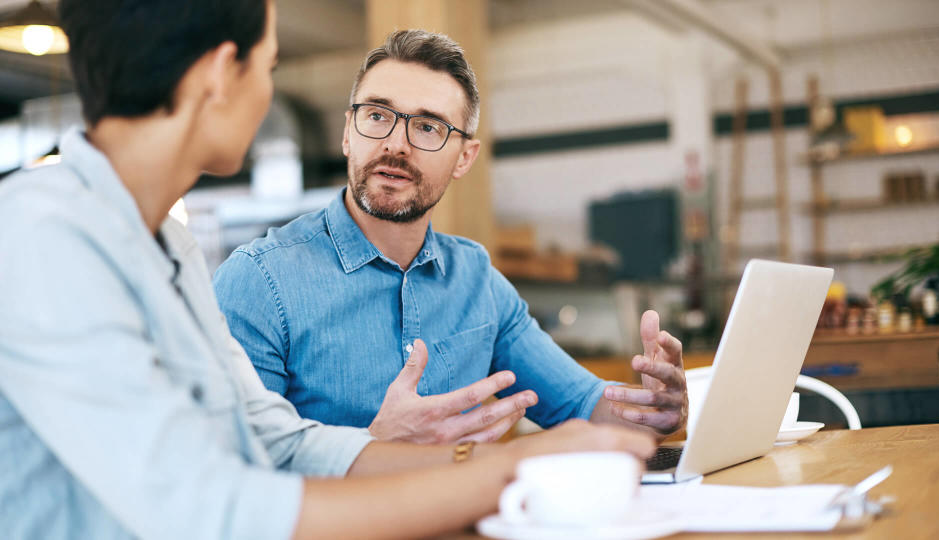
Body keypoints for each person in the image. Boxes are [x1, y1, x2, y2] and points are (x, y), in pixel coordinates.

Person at [0, 2, 658, 539]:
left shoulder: (168, 244)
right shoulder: (39, 234)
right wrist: (511, 471)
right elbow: (210, 508)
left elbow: (281, 444)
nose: (267, 94)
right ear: (222, 74)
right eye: (270, 66)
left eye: (429, 127)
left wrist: (509, 456)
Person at [213, 29, 689, 445]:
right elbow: (232, 474)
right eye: (377, 115)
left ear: (464, 158)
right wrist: (375, 444)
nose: (395, 143)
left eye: (427, 127)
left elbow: (585, 406)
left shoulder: (476, 280)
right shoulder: (258, 281)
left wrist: (654, 412)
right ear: (347, 133)